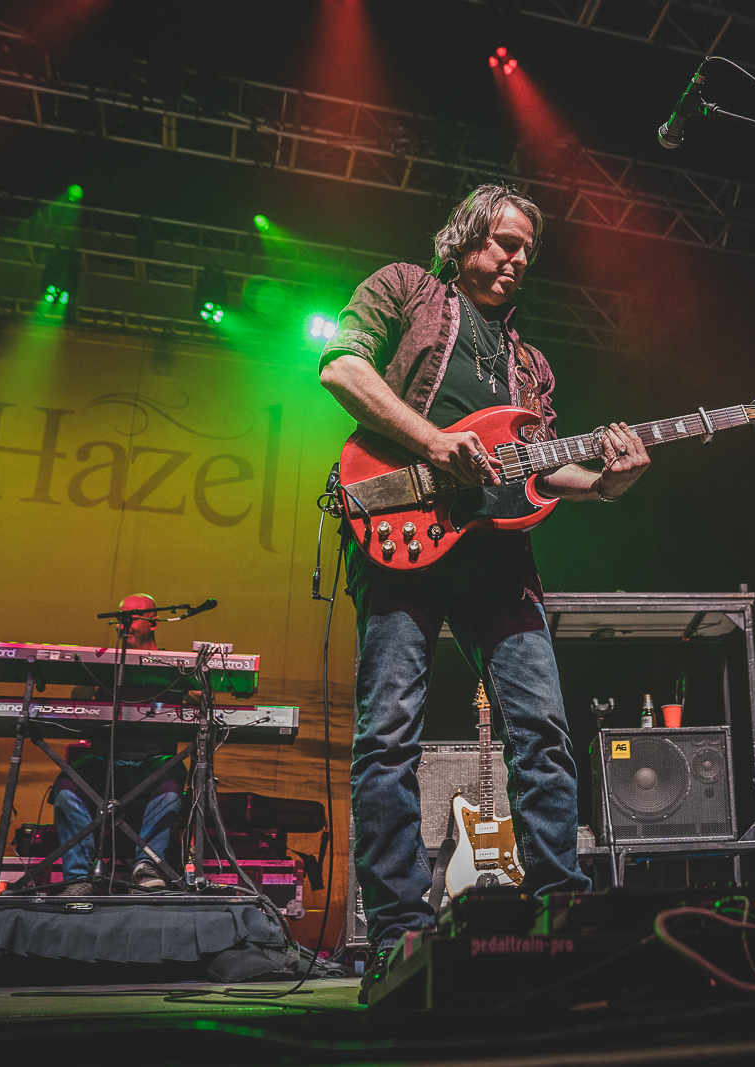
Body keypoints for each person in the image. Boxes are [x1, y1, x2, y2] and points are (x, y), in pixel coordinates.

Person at [318, 185, 650, 986]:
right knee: (389, 732)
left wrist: (609, 480)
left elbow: (547, 470)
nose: (517, 258)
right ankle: (400, 931)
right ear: (463, 237)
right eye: (503, 242)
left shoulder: (531, 364)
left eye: (527, 250)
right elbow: (339, 366)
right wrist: (434, 443)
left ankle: (562, 910)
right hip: (403, 530)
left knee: (541, 729)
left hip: (500, 557)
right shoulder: (404, 288)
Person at [53, 593, 188, 895]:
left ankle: (147, 866)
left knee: (173, 775)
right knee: (66, 785)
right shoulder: (104, 660)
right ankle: (78, 878)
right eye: (120, 618)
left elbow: (194, 705)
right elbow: (78, 698)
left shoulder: (176, 666)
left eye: (132, 617)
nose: (122, 625)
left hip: (153, 761)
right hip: (104, 759)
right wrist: (101, 666)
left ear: (153, 622)